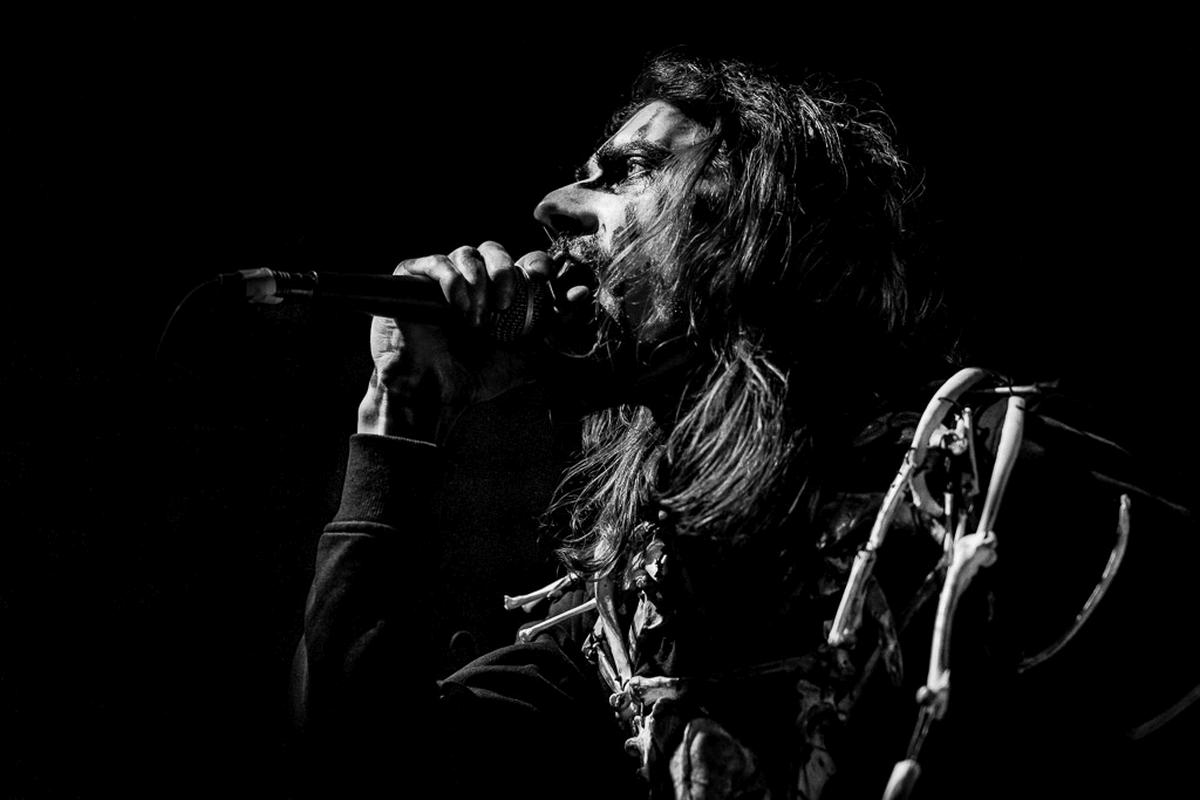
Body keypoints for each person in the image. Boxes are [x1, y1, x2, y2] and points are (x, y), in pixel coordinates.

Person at [292, 54, 1194, 799]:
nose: (551, 208)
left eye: (627, 171)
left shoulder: (983, 482)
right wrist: (400, 409)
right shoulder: (633, 628)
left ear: (760, 224)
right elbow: (372, 763)